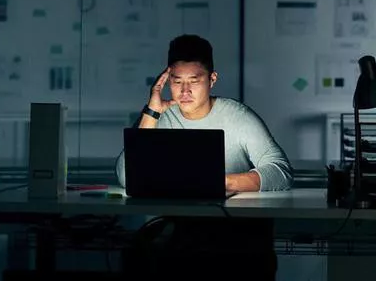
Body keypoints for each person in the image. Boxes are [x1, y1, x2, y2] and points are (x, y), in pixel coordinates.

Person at [116, 34, 292, 192]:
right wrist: (151, 112)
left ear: (212, 80)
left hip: (232, 218)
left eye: (194, 81)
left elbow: (280, 171)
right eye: (177, 82)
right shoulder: (156, 115)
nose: (185, 91)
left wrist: (217, 182)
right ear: (168, 81)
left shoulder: (238, 116)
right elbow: (127, 177)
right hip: (176, 218)